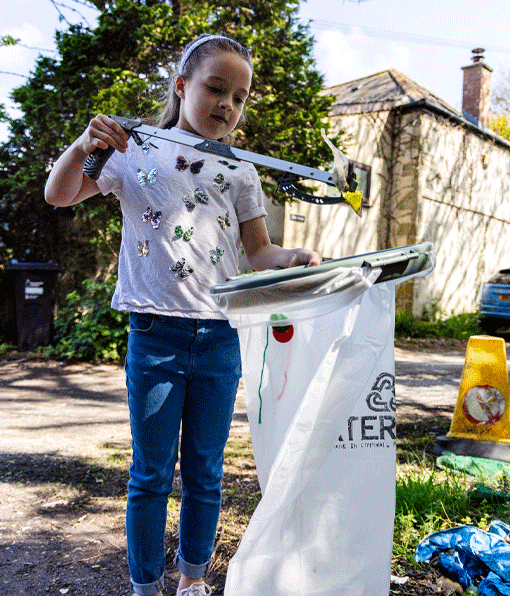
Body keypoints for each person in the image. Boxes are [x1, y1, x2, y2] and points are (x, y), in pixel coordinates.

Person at [45, 34, 320, 596]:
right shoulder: (135, 150)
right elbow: (58, 194)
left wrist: (294, 258)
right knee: (149, 476)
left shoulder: (242, 170)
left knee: (205, 475)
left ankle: (193, 580)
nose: (227, 105)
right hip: (155, 334)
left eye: (239, 97)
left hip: (221, 337)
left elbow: (257, 253)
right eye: (215, 89)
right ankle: (146, 585)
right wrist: (83, 144)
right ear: (181, 86)